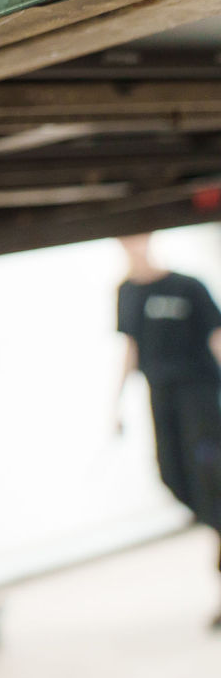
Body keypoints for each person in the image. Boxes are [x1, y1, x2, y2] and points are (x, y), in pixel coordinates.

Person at [114, 233, 221, 628]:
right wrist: (116, 403)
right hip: (162, 397)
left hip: (200, 397)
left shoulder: (187, 286)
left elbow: (216, 337)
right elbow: (130, 348)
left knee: (211, 479)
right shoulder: (126, 292)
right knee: (172, 475)